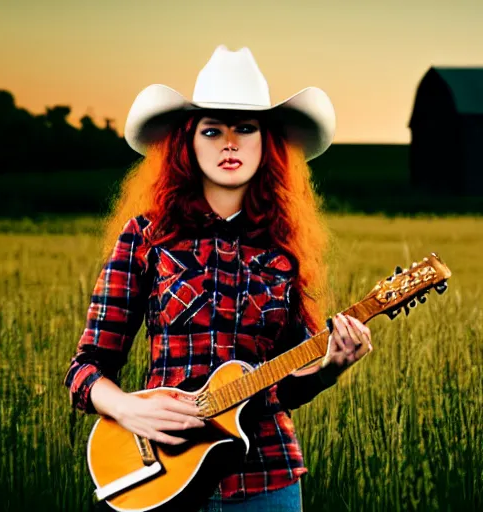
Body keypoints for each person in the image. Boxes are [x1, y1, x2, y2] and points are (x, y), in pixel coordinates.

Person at [64, 45, 372, 512]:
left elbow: (286, 387)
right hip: (161, 474)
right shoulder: (147, 236)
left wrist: (330, 367)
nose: (230, 143)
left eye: (245, 129)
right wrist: (129, 408)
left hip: (265, 478)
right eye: (213, 131)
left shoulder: (284, 249)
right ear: (188, 143)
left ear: (266, 143)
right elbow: (85, 368)